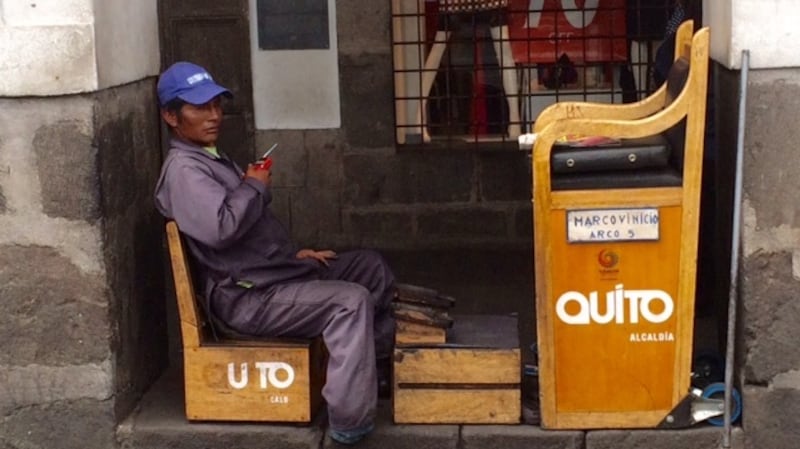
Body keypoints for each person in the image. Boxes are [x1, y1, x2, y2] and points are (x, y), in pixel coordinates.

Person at [153, 61, 395, 445]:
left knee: (369, 268)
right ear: (171, 116)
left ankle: (370, 374)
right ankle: (350, 424)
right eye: (199, 108)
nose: (214, 115)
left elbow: (244, 238)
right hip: (248, 298)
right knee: (350, 301)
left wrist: (293, 257)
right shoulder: (184, 169)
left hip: (271, 277)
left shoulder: (210, 157)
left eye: (217, 105)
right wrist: (253, 186)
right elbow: (222, 230)